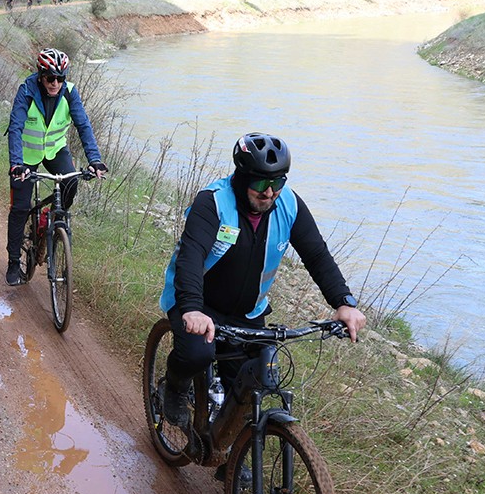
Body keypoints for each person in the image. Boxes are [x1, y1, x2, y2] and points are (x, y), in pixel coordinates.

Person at [157, 133, 367, 432]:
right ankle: (174, 389)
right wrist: (191, 308)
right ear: (241, 178)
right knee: (196, 355)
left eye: (277, 183)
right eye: (260, 184)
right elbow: (191, 257)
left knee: (256, 379)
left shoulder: (289, 205)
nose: (269, 193)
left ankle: (231, 455)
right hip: (198, 304)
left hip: (249, 312)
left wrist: (343, 302)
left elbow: (317, 255)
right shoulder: (213, 203)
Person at [5, 48, 107, 285]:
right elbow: (15, 127)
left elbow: (84, 126)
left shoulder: (70, 93)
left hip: (54, 150)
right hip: (27, 155)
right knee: (20, 208)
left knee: (71, 182)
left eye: (60, 78)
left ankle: (48, 220)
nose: (55, 83)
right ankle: (12, 261)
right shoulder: (27, 91)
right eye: (50, 77)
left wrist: (94, 159)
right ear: (41, 75)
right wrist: (16, 164)